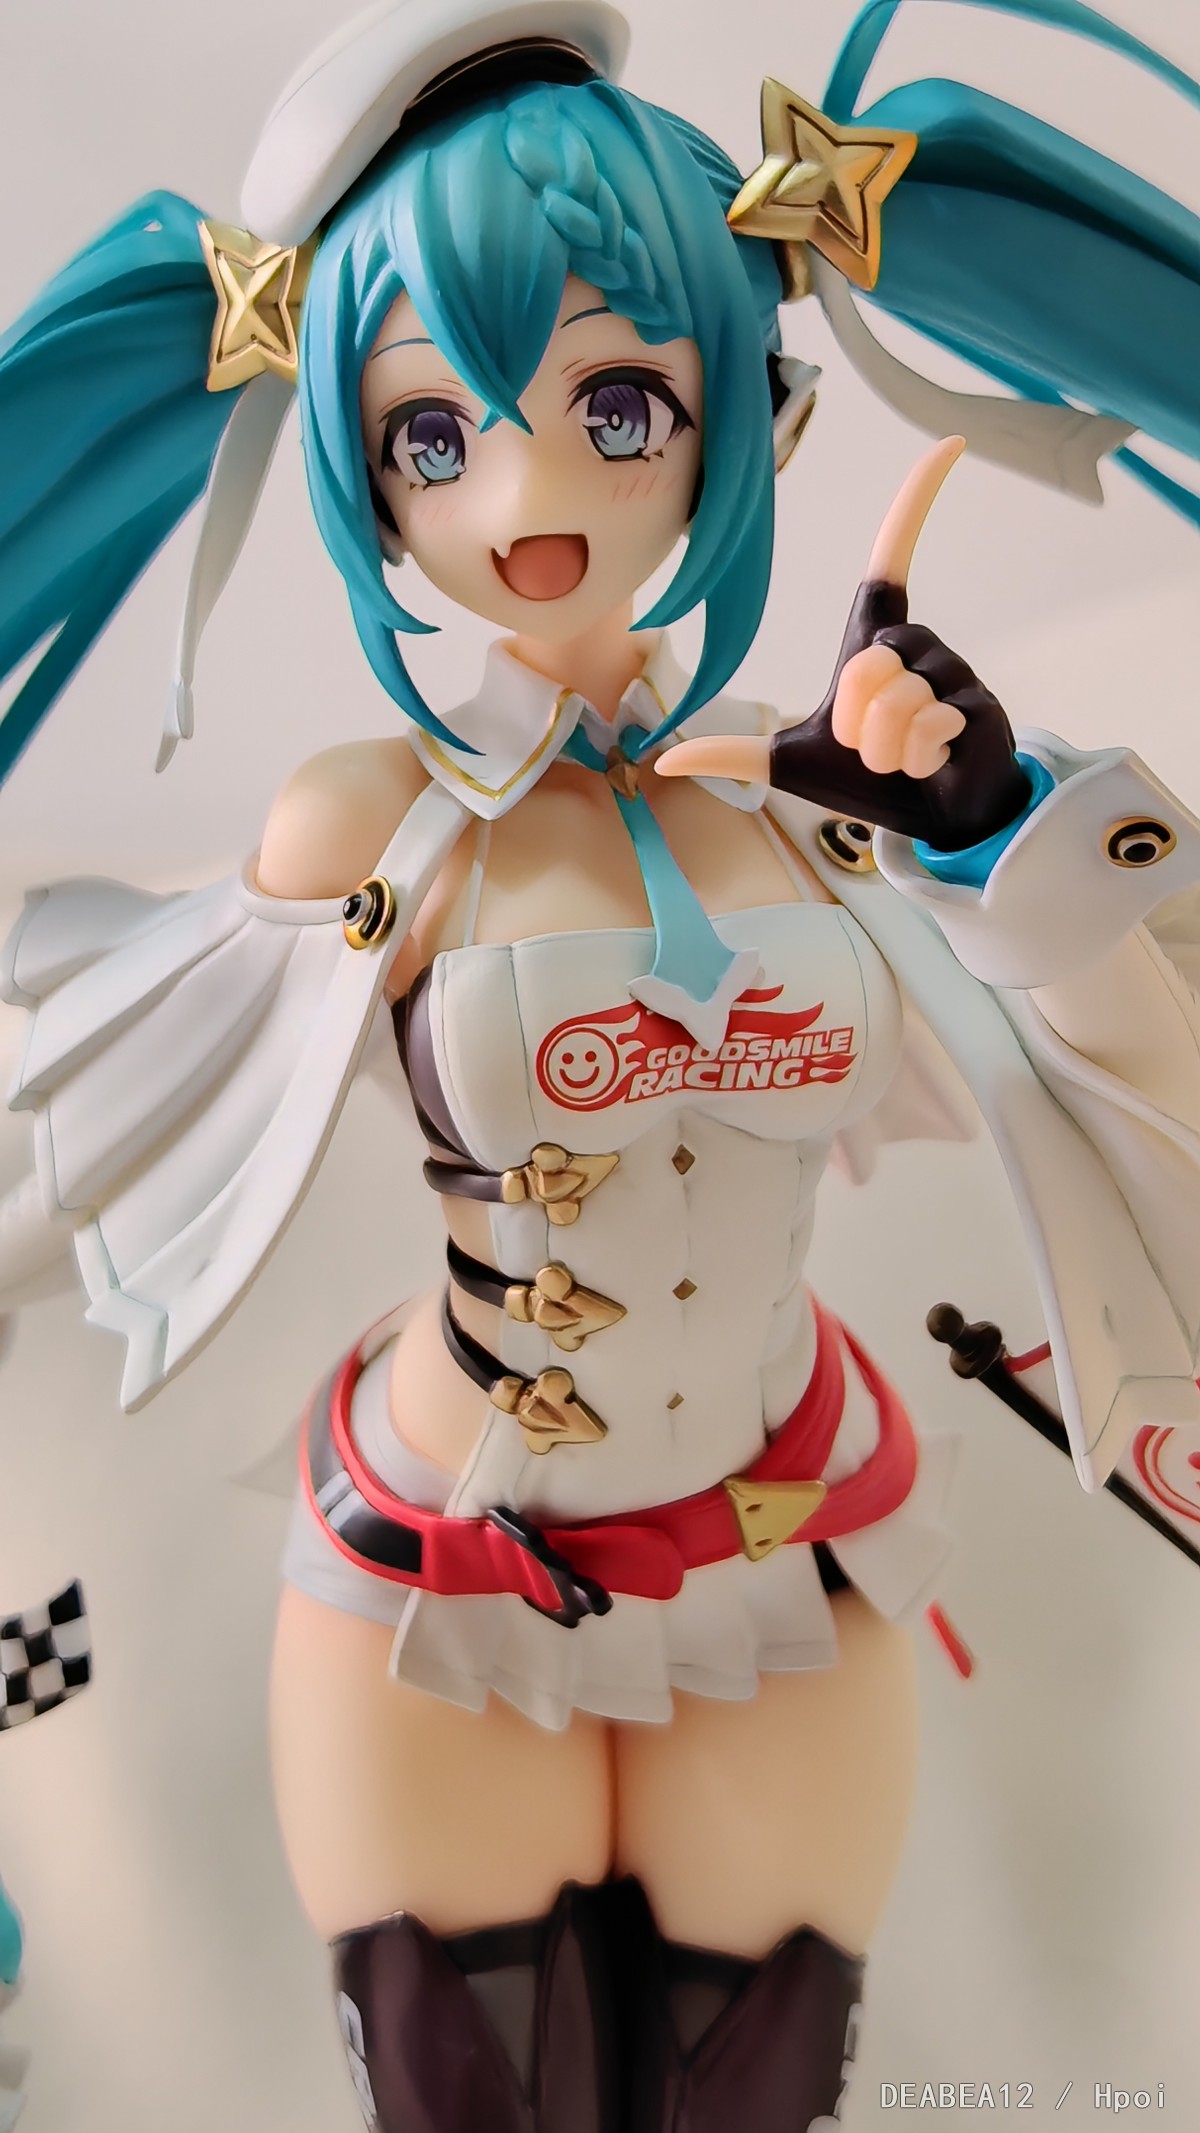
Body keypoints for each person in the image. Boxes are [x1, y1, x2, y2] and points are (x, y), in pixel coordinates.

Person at [2, 2, 1200, 2128]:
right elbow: (93, 1143)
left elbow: (1128, 1077)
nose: (529, 494)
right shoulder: (363, 824)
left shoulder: (820, 796)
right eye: (432, 433)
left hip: (787, 1546)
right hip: (440, 1585)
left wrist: (990, 831)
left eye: (616, 401)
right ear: (358, 467)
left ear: (743, 401)